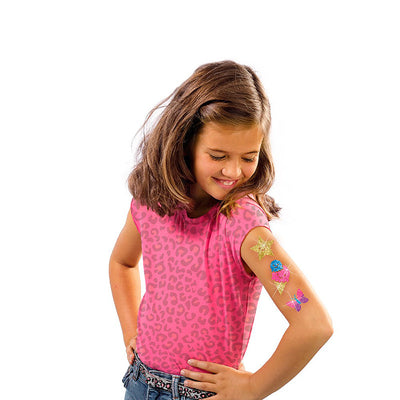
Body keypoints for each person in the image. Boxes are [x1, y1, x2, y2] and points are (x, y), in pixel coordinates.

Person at [109, 60, 333, 400]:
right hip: (139, 384)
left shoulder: (246, 229)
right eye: (218, 156)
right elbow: (122, 263)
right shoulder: (151, 203)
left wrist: (253, 387)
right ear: (185, 142)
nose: (234, 171)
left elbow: (313, 323)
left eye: (249, 157)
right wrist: (131, 332)